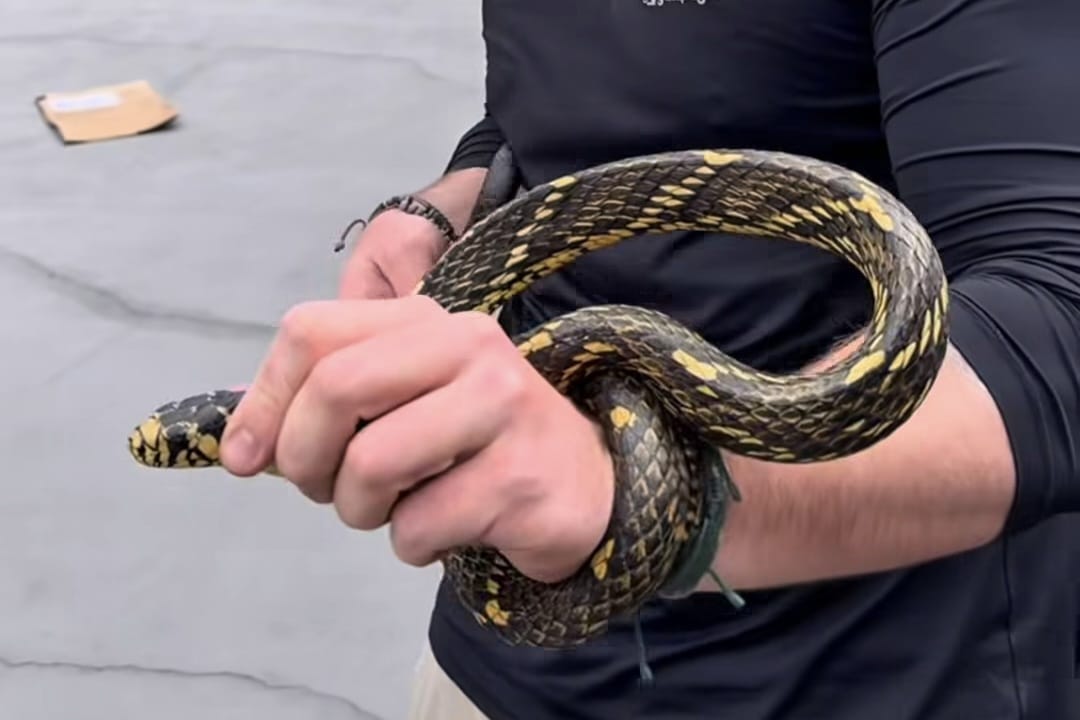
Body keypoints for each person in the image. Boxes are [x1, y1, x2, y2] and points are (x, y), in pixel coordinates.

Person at [219, 1, 1080, 718]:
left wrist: (640, 500)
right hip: (498, 668)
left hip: (858, 682)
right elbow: (578, 94)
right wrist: (457, 195)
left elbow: (1060, 310)